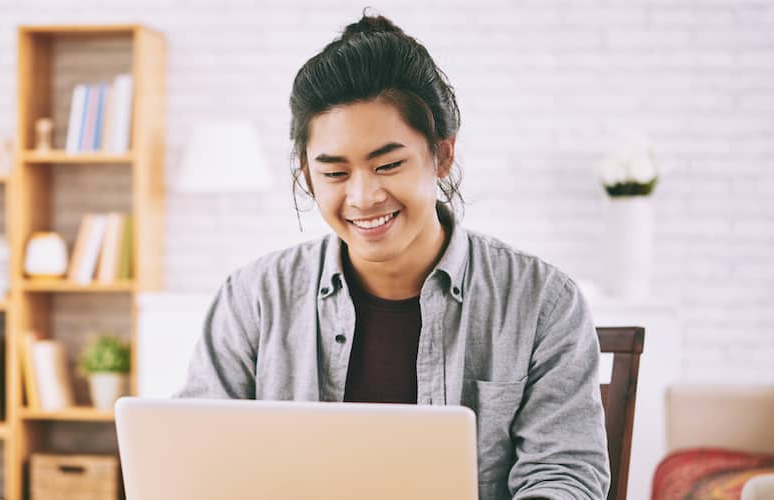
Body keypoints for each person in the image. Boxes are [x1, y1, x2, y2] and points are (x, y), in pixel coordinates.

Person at [176, 12, 610, 500]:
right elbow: (196, 464)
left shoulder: (542, 303)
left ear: (442, 155)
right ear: (307, 175)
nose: (362, 197)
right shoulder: (253, 298)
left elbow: (563, 476)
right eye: (336, 174)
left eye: (388, 164)